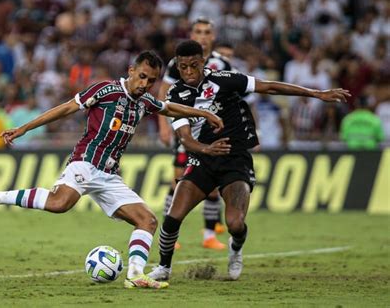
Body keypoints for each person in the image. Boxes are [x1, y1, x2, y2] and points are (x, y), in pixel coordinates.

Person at [0, 51, 225, 289]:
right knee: (60, 203)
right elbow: (65, 108)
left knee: (147, 220)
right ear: (131, 71)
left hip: (109, 176)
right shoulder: (106, 90)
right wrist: (24, 128)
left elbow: (168, 107)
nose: (145, 84)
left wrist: (204, 114)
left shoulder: (144, 101)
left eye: (151, 80)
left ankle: (135, 274)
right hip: (85, 162)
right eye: (142, 76)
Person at [148, 40, 350, 282]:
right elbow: (185, 139)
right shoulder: (176, 94)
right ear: (177, 67)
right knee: (172, 217)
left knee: (234, 222)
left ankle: (235, 249)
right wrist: (207, 149)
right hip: (202, 159)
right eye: (183, 67)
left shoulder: (224, 78)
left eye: (194, 65)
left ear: (203, 62)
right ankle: (164, 267)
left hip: (235, 160)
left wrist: (315, 93)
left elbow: (269, 87)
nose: (189, 72)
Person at [158, 17, 232, 250]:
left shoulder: (223, 64)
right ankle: (170, 232)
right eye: (198, 31)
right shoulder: (176, 63)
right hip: (186, 128)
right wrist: (163, 126)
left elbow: (233, 99)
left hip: (212, 132)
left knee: (212, 184)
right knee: (179, 180)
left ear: (213, 36)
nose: (202, 35)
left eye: (206, 31)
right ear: (192, 35)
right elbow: (163, 92)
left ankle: (209, 235)